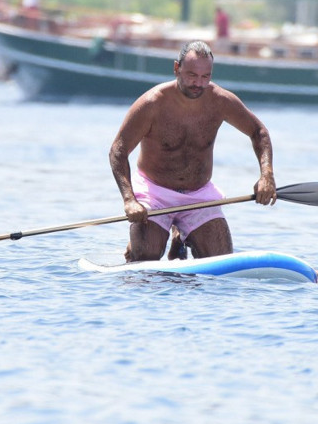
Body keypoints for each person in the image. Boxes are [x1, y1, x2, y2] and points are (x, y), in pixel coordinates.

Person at [109, 40, 276, 262]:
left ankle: (182, 234)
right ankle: (144, 239)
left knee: (221, 260)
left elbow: (259, 132)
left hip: (199, 194)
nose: (198, 83)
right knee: (146, 256)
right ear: (176, 68)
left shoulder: (221, 101)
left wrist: (267, 175)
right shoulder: (152, 103)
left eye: (205, 76)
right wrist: (129, 199)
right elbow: (118, 151)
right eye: (191, 75)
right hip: (155, 193)